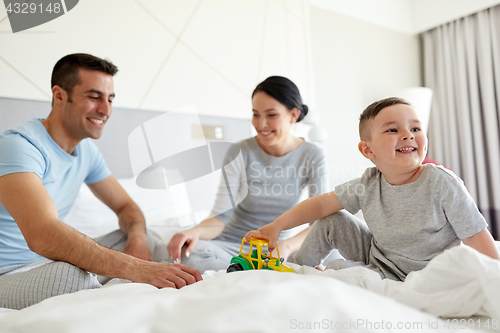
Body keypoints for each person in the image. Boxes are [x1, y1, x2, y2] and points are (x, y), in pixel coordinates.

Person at [0, 53, 201, 310]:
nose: (105, 110)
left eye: (110, 99)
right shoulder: (18, 146)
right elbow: (42, 235)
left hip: (46, 262)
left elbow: (127, 208)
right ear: (59, 96)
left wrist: (137, 243)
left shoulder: (86, 152)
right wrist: (137, 269)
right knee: (69, 277)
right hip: (7, 272)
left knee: (137, 233)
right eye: (94, 97)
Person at [244, 97, 500, 281]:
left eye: (415, 128)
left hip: (425, 273)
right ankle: (298, 269)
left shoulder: (441, 182)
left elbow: (475, 235)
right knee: (332, 219)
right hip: (379, 257)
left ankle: (329, 272)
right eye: (393, 130)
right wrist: (278, 225)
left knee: (338, 271)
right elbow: (321, 204)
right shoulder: (368, 183)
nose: (408, 135)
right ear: (368, 150)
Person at [167, 76, 331, 273]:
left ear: (293, 115)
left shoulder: (312, 155)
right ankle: (263, 271)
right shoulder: (239, 151)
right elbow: (220, 217)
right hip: (233, 245)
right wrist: (196, 231)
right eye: (255, 114)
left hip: (278, 249)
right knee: (192, 254)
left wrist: (285, 247)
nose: (261, 124)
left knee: (333, 252)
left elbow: (320, 222)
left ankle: (254, 271)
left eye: (271, 115)